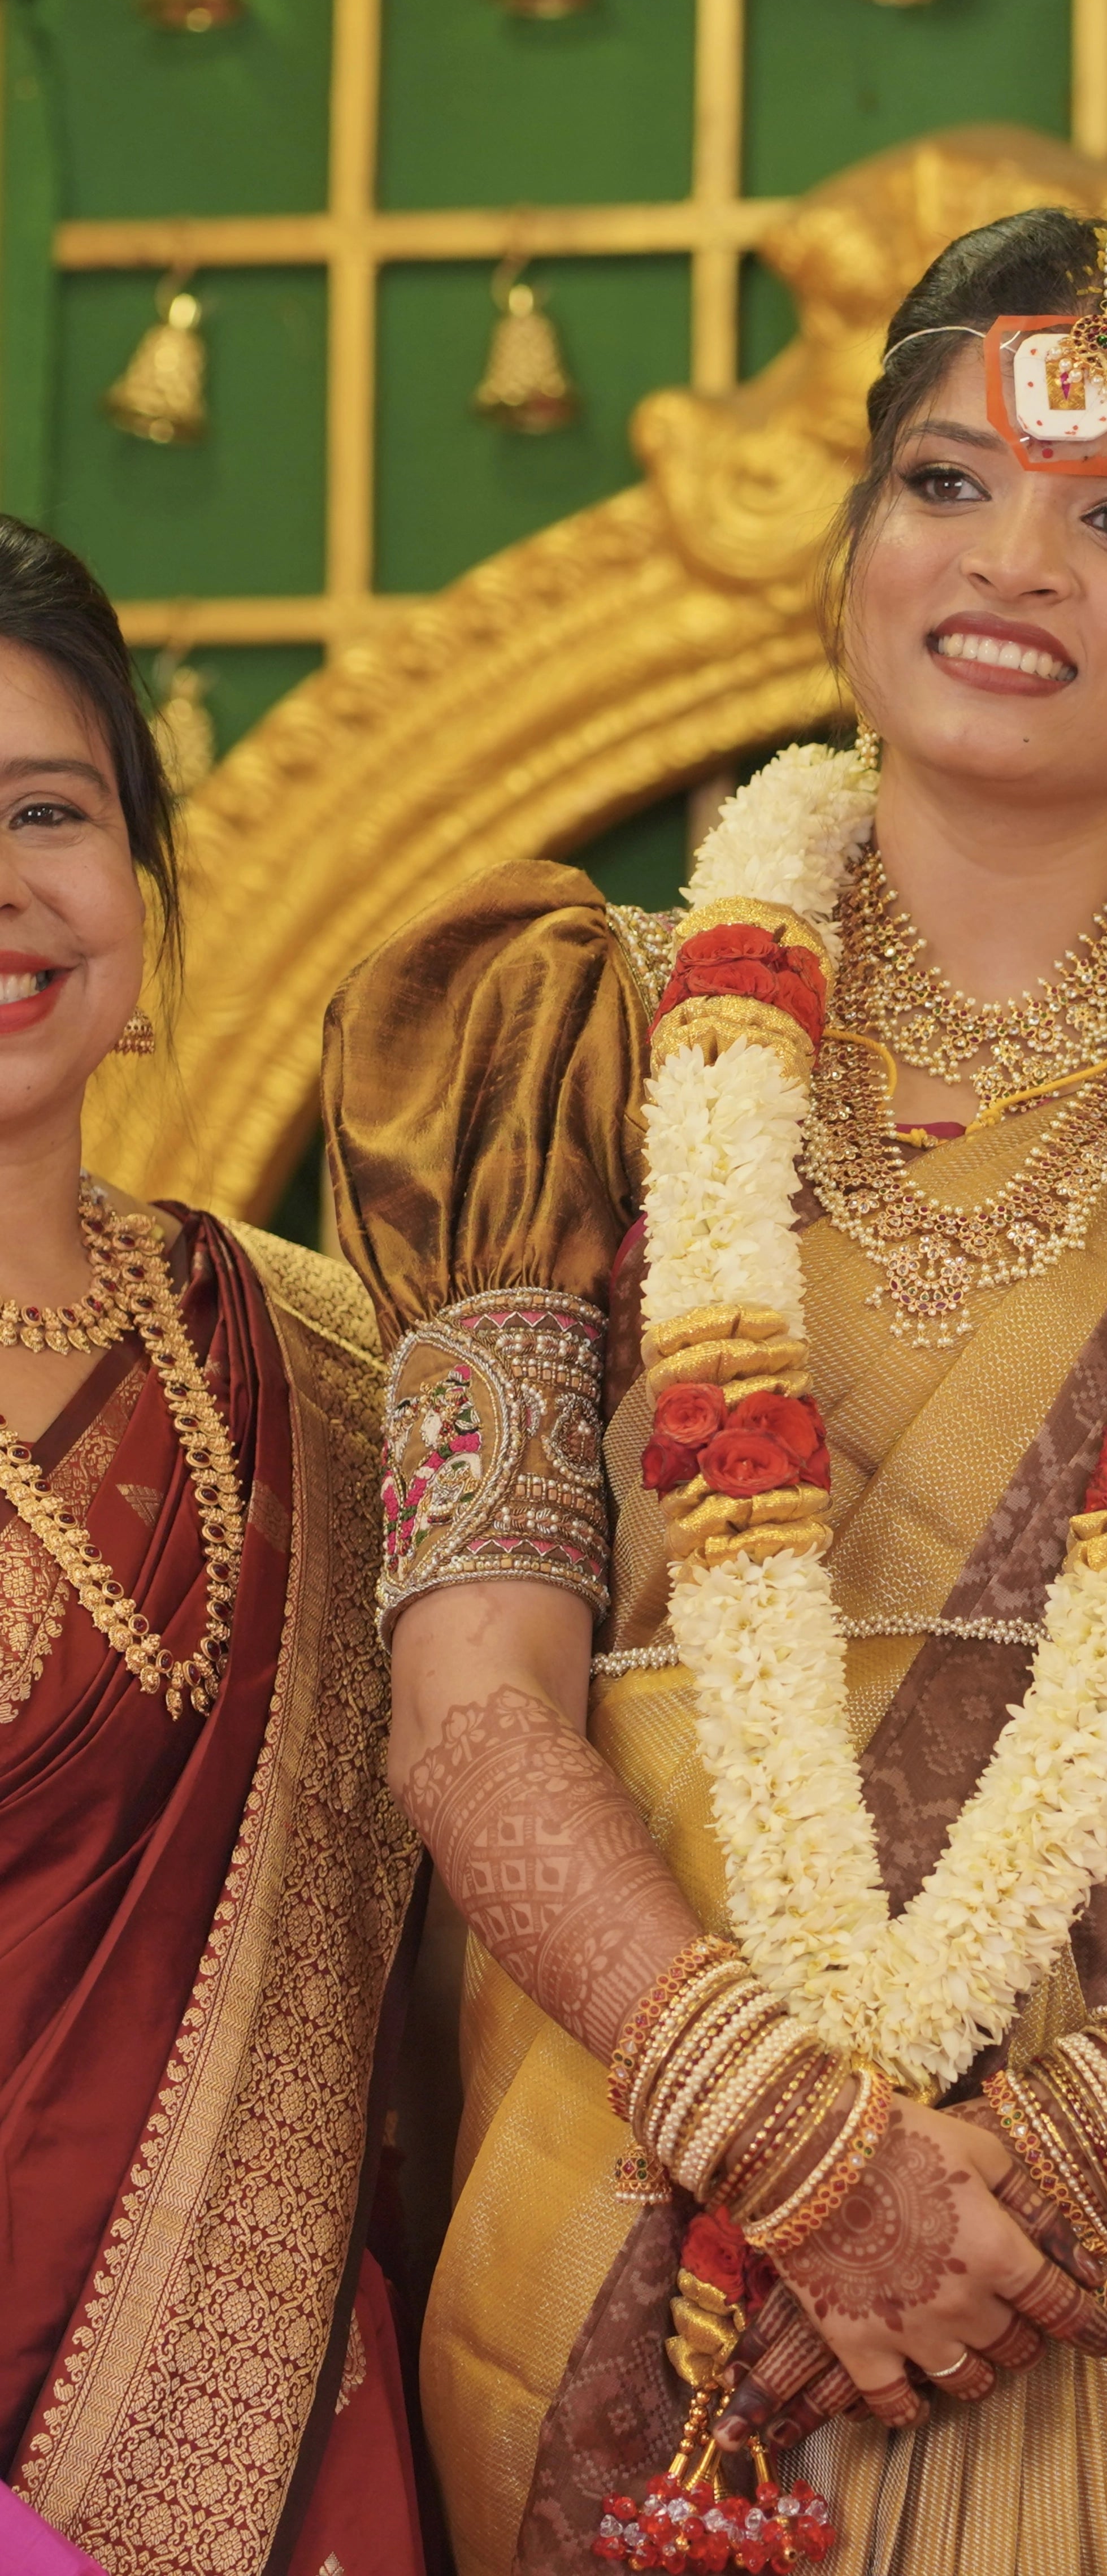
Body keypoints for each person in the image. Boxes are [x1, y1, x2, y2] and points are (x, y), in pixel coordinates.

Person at [325, 213, 1107, 2576]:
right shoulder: (568, 1039)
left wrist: (1091, 2130)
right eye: (945, 482)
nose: (1014, 561)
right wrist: (795, 2136)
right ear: (848, 551)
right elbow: (470, 1703)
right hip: (631, 2201)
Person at [0, 518, 427, 2576]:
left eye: (48, 811)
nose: (3, 887)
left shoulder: (323, 1362)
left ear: (141, 893)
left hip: (276, 2443)